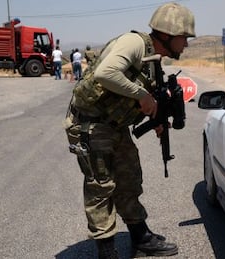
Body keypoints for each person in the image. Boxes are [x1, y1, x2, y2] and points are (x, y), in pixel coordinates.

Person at [63, 2, 195, 259]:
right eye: (184, 38)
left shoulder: (153, 61)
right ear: (167, 35)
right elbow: (105, 73)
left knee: (129, 180)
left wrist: (155, 116)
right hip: (90, 123)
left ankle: (140, 237)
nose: (187, 44)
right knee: (101, 186)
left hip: (115, 126)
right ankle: (107, 251)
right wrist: (143, 96)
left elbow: (136, 98)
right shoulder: (134, 43)